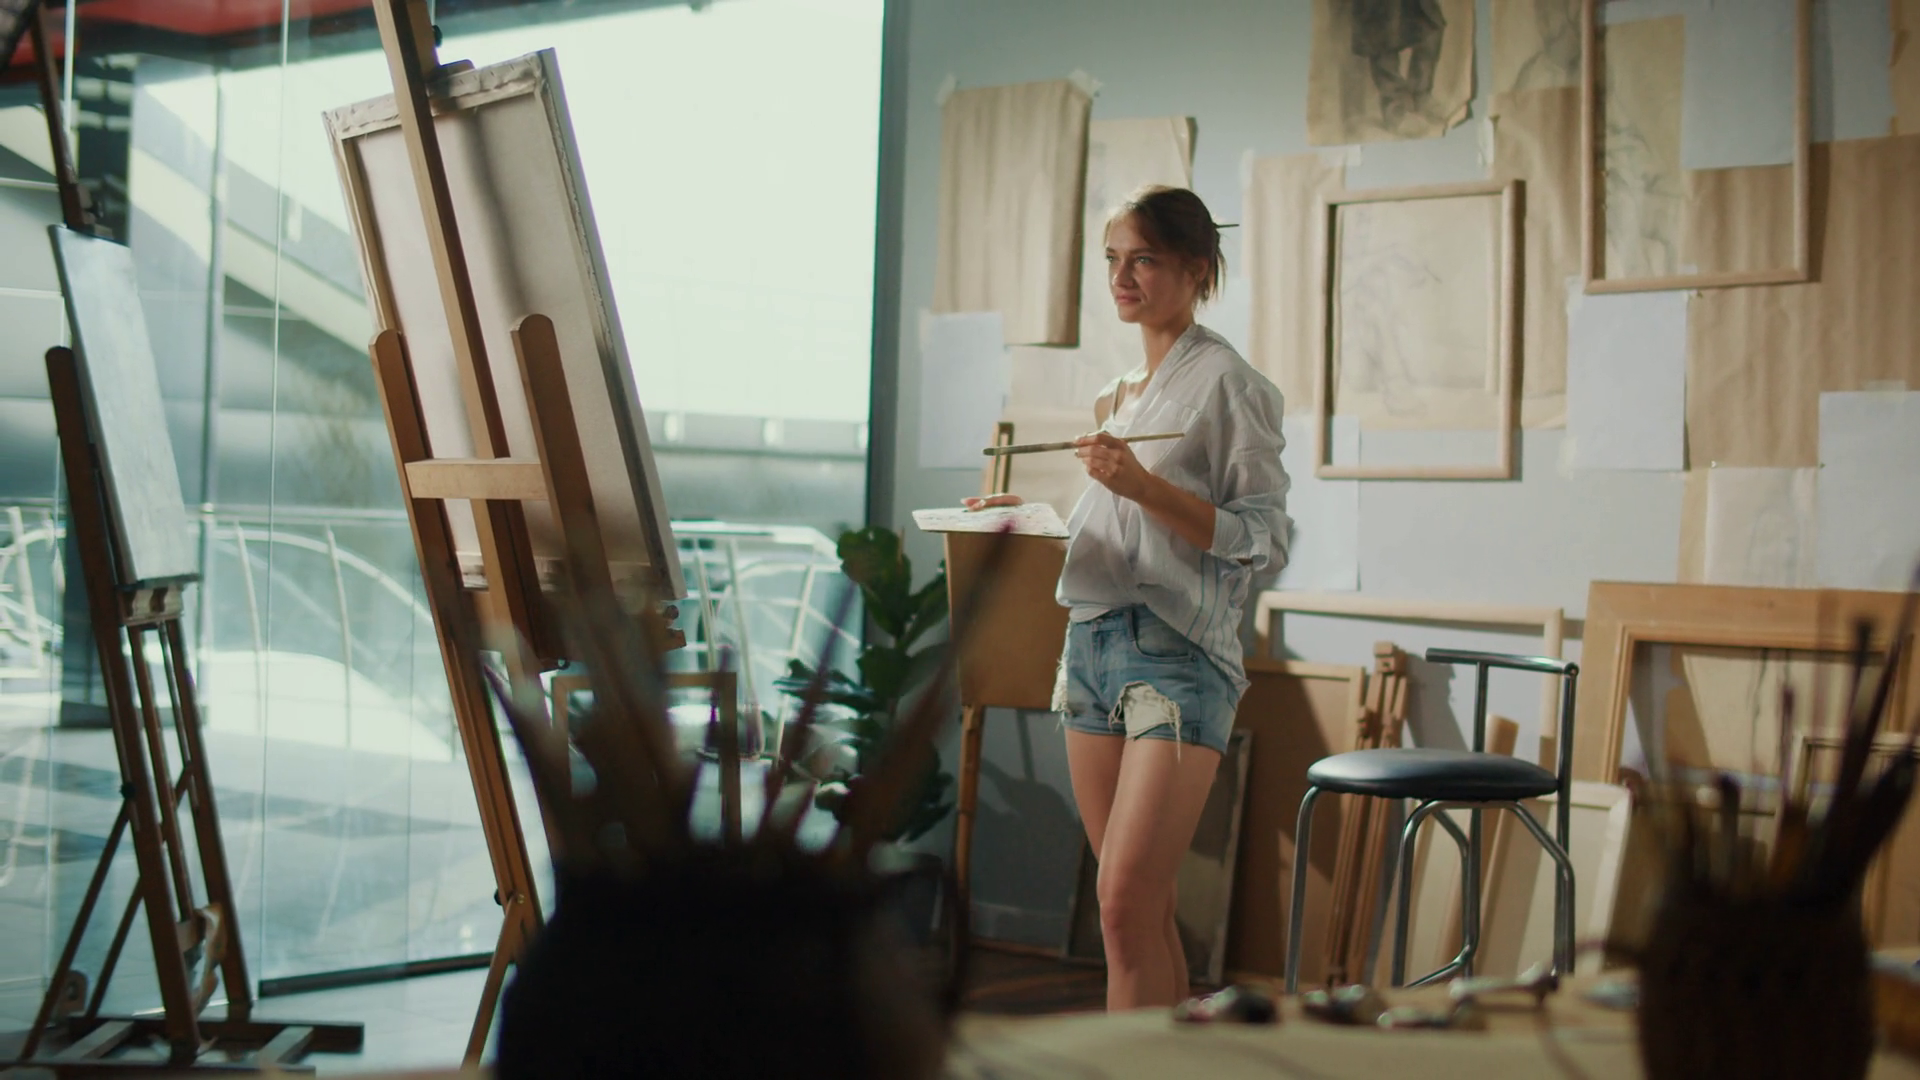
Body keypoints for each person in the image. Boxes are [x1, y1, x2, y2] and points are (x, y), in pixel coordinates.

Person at [963, 186, 1290, 1010]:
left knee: (1120, 902)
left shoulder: (1231, 383)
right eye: (1113, 259)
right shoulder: (1117, 395)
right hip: (1091, 647)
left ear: (1197, 267)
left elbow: (1264, 537)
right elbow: (1115, 529)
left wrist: (1142, 485)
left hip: (1176, 658)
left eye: (1142, 258)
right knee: (1140, 909)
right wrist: (1020, 516)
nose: (1121, 277)